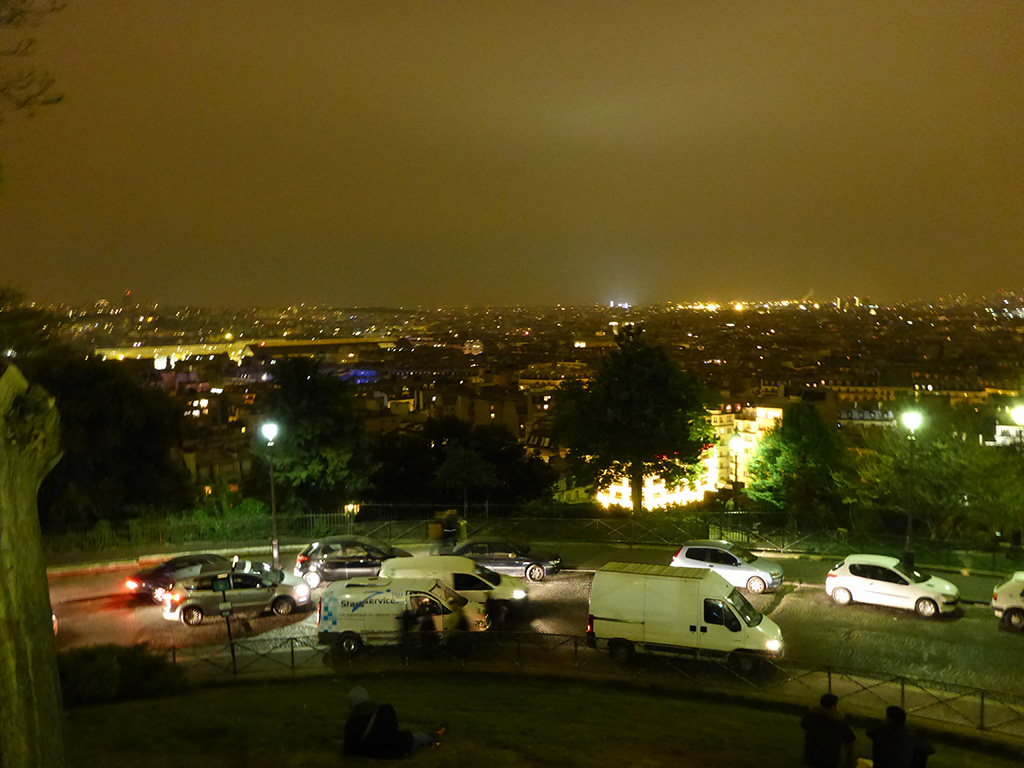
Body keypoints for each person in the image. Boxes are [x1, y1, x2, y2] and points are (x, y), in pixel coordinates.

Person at [343, 686, 446, 759]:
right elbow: (393, 731)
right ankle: (434, 738)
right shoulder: (384, 710)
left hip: (374, 753)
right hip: (397, 748)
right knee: (419, 737)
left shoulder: (351, 725)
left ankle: (432, 737)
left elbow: (348, 751)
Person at [867, 706, 934, 768]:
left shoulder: (880, 731)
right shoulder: (910, 734)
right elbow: (929, 749)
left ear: (889, 719)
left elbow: (869, 732)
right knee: (919, 754)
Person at [801, 693, 856, 768]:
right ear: (834, 706)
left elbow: (804, 724)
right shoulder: (838, 721)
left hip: (811, 756)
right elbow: (850, 737)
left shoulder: (811, 717)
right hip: (830, 759)